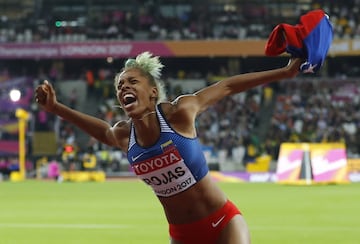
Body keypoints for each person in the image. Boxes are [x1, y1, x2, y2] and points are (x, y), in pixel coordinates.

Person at [35, 52, 302, 244]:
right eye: (120, 86)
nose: (124, 87)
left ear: (153, 92)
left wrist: (285, 71)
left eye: (132, 82)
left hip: (223, 224)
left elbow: (228, 86)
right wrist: (55, 108)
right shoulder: (123, 134)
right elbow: (103, 130)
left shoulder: (179, 113)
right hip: (182, 236)